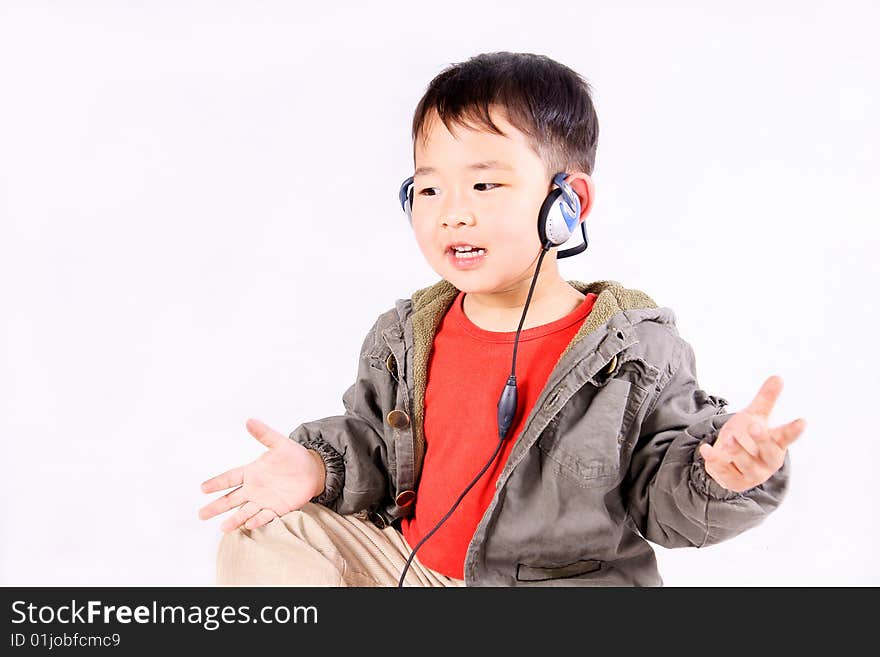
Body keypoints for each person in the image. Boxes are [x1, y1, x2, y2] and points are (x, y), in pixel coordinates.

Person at [198, 51, 807, 587]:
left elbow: (662, 500)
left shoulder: (637, 353)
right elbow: (379, 449)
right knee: (270, 531)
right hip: (417, 572)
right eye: (430, 190)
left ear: (568, 202)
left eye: (485, 185)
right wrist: (314, 464)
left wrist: (720, 475)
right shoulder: (404, 335)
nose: (453, 214)